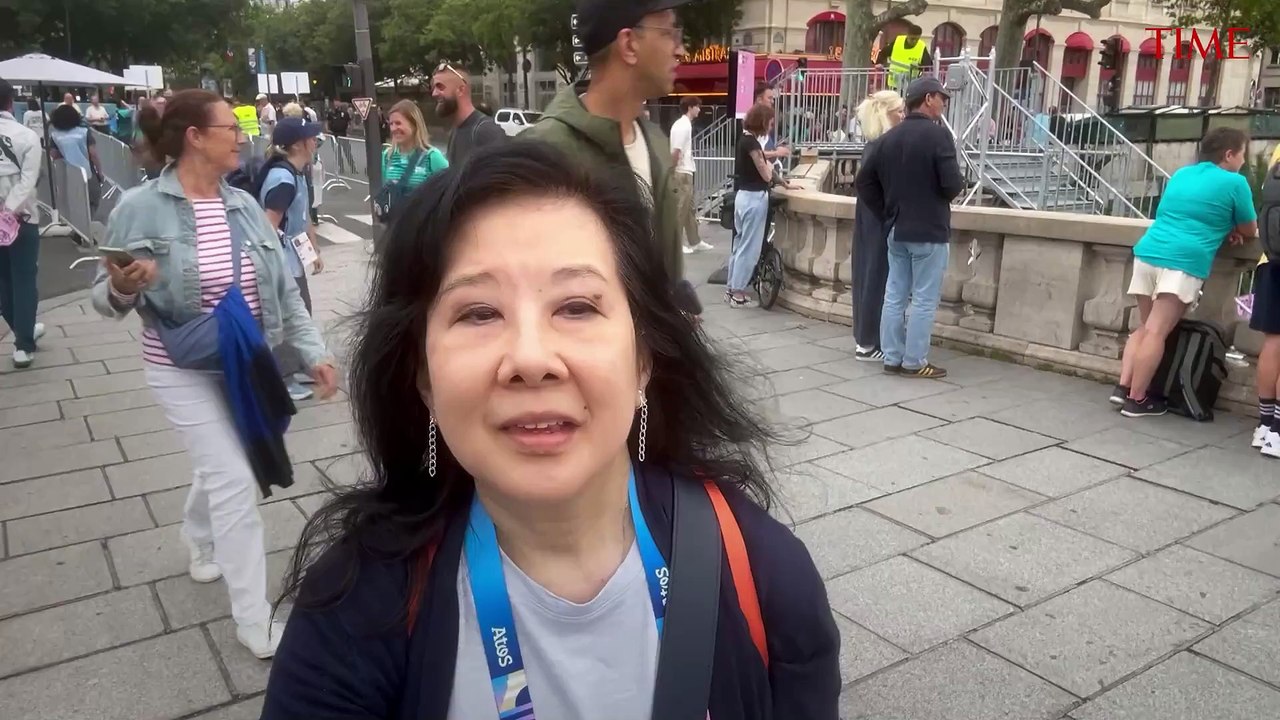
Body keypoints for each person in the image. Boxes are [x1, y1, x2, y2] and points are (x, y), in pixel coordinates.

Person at [260, 139, 840, 719]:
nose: (531, 359)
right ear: (423, 378)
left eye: (577, 307)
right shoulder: (351, 618)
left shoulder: (763, 573)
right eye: (479, 312)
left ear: (644, 358)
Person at [91, 89, 337, 659]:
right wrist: (125, 286)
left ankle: (197, 537)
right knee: (232, 477)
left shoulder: (245, 206)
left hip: (243, 361)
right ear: (195, 138)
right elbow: (103, 299)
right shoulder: (139, 208)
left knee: (227, 463)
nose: (242, 135)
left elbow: (284, 292)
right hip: (179, 366)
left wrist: (313, 351)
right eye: (230, 127)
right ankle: (254, 619)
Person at [524, 0, 695, 315]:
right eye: (670, 33)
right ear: (629, 44)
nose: (681, 49)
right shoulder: (542, 152)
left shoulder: (655, 141)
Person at [1112, 127, 1258, 417]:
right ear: (1229, 155)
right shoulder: (1235, 182)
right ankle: (1138, 400)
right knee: (1157, 331)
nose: (1243, 162)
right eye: (1242, 155)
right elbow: (1250, 229)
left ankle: (1123, 388)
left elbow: (1170, 213)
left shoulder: (1181, 175)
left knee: (1144, 327)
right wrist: (1230, 229)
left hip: (1149, 251)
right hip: (1183, 260)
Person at [855, 77, 964, 379]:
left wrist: (886, 211)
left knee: (895, 294)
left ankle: (891, 357)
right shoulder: (938, 137)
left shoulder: (889, 137)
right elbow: (951, 184)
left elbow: (864, 182)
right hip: (929, 229)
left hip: (896, 229)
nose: (944, 103)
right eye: (942, 98)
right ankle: (914, 361)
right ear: (928, 99)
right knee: (925, 299)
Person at [258, 116, 326, 401]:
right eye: (311, 137)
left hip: (293, 257)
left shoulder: (297, 173)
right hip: (282, 260)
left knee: (302, 309)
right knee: (286, 316)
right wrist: (273, 266)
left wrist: (314, 249)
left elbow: (302, 216)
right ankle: (282, 378)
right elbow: (267, 226)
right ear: (299, 144)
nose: (316, 141)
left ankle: (295, 366)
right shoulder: (283, 179)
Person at [851, 90, 906, 363]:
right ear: (886, 113)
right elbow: (866, 183)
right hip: (877, 218)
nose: (903, 115)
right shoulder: (884, 144)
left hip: (868, 215)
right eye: (899, 111)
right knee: (876, 275)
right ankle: (869, 341)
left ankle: (865, 338)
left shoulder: (873, 143)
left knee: (867, 273)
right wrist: (886, 211)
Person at [727, 104, 796, 308]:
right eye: (770, 123)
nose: (771, 127)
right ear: (762, 122)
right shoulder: (753, 145)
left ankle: (732, 288)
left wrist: (783, 182)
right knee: (750, 248)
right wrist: (773, 164)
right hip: (755, 199)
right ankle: (738, 294)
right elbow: (765, 174)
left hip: (742, 197)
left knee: (740, 245)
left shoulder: (745, 140)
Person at [0, 78, 46, 369]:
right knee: (24, 279)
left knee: (3, 280)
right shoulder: (27, 136)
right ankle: (23, 343)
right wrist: (7, 211)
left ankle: (23, 330)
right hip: (21, 218)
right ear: (10, 102)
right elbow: (28, 182)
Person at [1250, 144, 1280, 456]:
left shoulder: (1278, 151)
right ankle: (1279, 433)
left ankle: (1265, 425)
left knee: (1273, 342)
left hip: (1269, 261)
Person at [378, 100, 448, 221]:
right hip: (395, 229)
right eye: (391, 124)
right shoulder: (387, 156)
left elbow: (449, 194)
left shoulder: (432, 156)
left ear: (414, 124)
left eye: (398, 123)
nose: (394, 128)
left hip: (424, 229)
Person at [432, 62, 506, 166]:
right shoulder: (455, 131)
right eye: (434, 87)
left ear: (461, 90)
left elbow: (504, 178)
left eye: (440, 87)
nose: (434, 93)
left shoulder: (486, 131)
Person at [669, 95, 711, 255]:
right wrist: (672, 170)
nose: (699, 110)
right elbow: (676, 151)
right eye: (697, 106)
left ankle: (695, 241)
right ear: (690, 107)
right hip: (682, 172)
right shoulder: (683, 126)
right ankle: (676, 244)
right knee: (681, 209)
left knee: (689, 209)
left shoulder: (684, 125)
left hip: (685, 170)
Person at [48, 104, 103, 213]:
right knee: (92, 200)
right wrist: (100, 172)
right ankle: (88, 223)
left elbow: (54, 156)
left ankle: (77, 226)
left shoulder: (55, 136)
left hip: (67, 174)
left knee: (72, 202)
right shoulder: (84, 132)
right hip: (87, 172)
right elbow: (93, 154)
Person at [878, 24, 932, 90]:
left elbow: (928, 65)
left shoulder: (921, 46)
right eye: (912, 39)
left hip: (911, 84)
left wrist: (919, 67)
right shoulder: (898, 41)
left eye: (917, 39)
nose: (914, 41)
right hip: (894, 83)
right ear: (907, 35)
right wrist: (880, 63)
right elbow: (884, 53)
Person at [324, 98, 355, 174]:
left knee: (347, 152)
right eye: (335, 102)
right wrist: (327, 129)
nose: (336, 104)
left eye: (337, 102)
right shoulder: (331, 113)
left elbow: (350, 122)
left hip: (343, 134)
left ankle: (353, 168)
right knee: (338, 153)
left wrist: (350, 130)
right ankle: (341, 168)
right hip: (334, 135)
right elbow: (327, 121)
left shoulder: (345, 113)